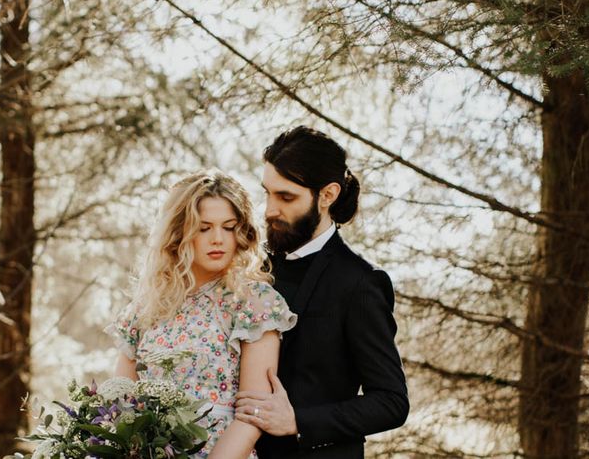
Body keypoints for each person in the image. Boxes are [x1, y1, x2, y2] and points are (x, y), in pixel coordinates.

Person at [235, 126, 409, 458]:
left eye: (286, 197)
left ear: (327, 195)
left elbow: (391, 401)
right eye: (267, 193)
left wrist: (298, 421)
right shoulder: (250, 270)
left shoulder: (360, 283)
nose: (270, 210)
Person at [107, 171, 296, 459]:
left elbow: (251, 416)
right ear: (180, 232)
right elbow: (121, 406)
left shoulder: (253, 302)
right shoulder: (144, 310)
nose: (218, 239)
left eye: (229, 227)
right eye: (204, 228)